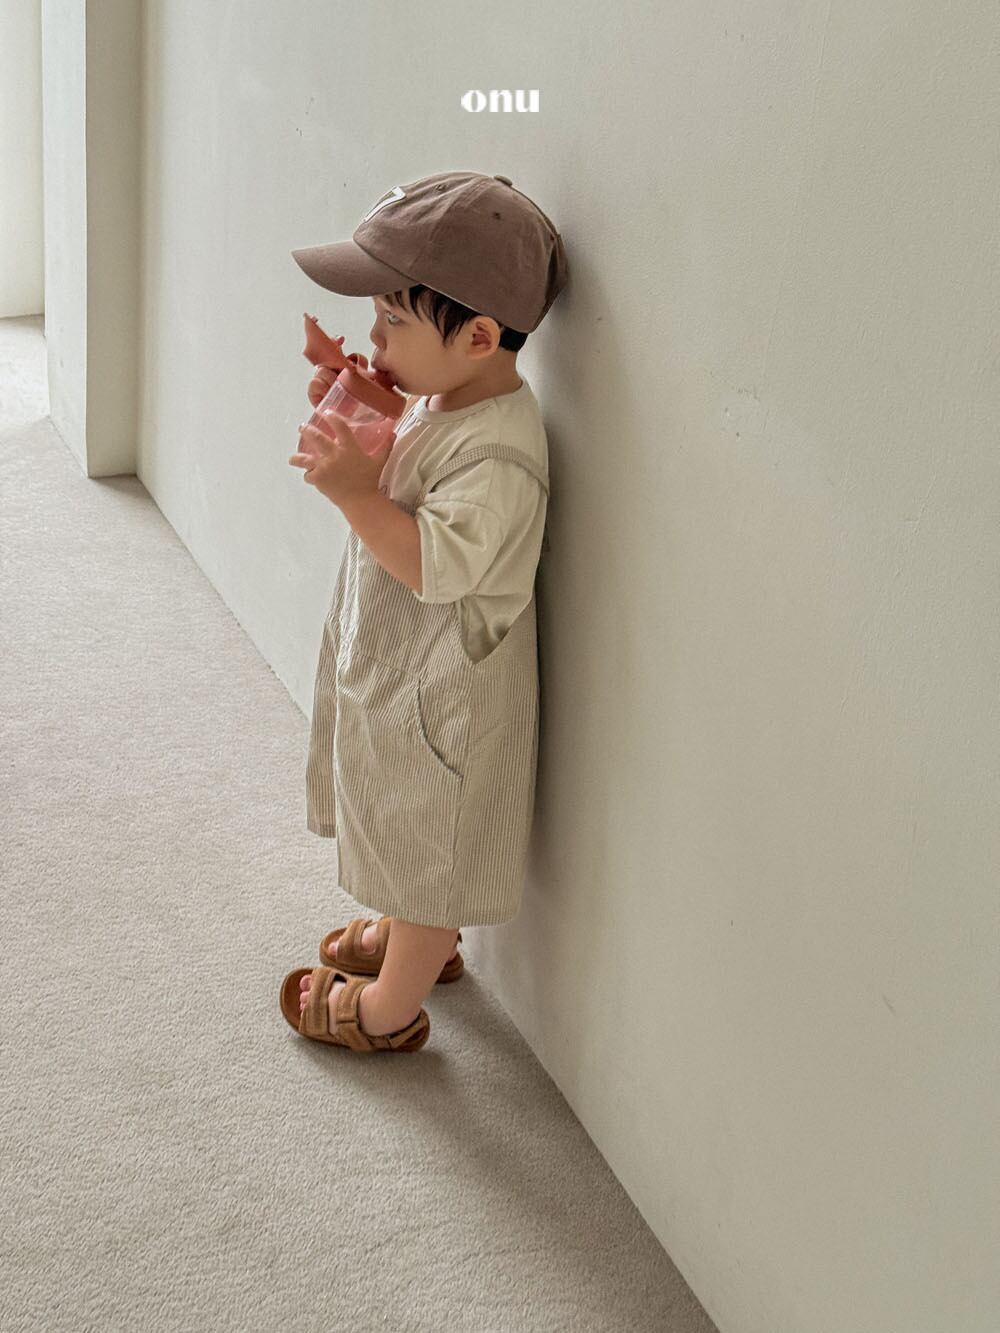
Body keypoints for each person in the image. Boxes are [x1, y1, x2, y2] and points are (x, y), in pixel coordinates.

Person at [279, 170, 569, 1052]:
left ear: (478, 336)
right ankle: (419, 938)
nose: (376, 338)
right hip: (404, 672)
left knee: (428, 844)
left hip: (445, 699)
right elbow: (404, 465)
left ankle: (388, 1009)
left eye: (393, 322)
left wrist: (354, 494)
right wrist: (358, 403)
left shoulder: (499, 456)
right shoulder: (444, 398)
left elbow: (436, 564)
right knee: (401, 822)